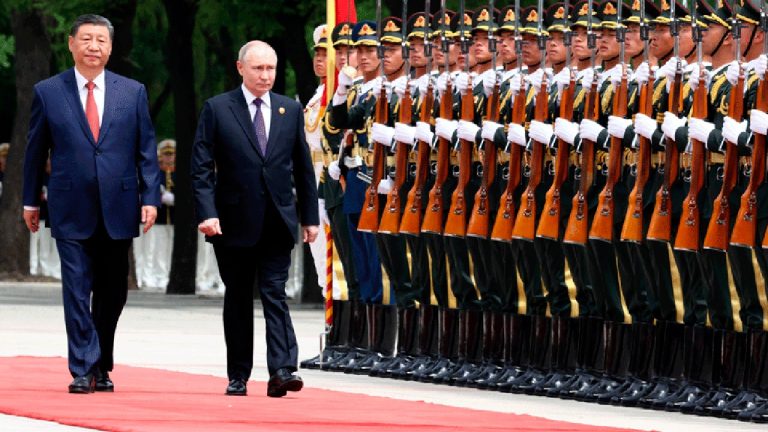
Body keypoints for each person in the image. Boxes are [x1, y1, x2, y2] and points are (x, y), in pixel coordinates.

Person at [22, 14, 161, 394]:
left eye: (101, 40)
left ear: (111, 47)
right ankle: (82, 367)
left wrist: (150, 197)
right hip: (69, 205)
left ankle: (102, 361)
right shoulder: (48, 91)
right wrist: (30, 201)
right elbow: (35, 152)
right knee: (76, 288)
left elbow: (146, 150)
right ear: (71, 44)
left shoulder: (131, 92)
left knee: (113, 291)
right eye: (86, 39)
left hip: (119, 206)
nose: (93, 46)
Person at [191, 40, 319, 397]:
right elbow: (200, 168)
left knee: (275, 293)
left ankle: (282, 369)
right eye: (259, 69)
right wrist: (207, 212)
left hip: (278, 219)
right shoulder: (217, 109)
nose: (266, 76)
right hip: (231, 221)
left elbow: (302, 167)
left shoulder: (288, 110)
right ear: (241, 68)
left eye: (271, 69)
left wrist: (309, 217)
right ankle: (239, 374)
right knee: (238, 297)